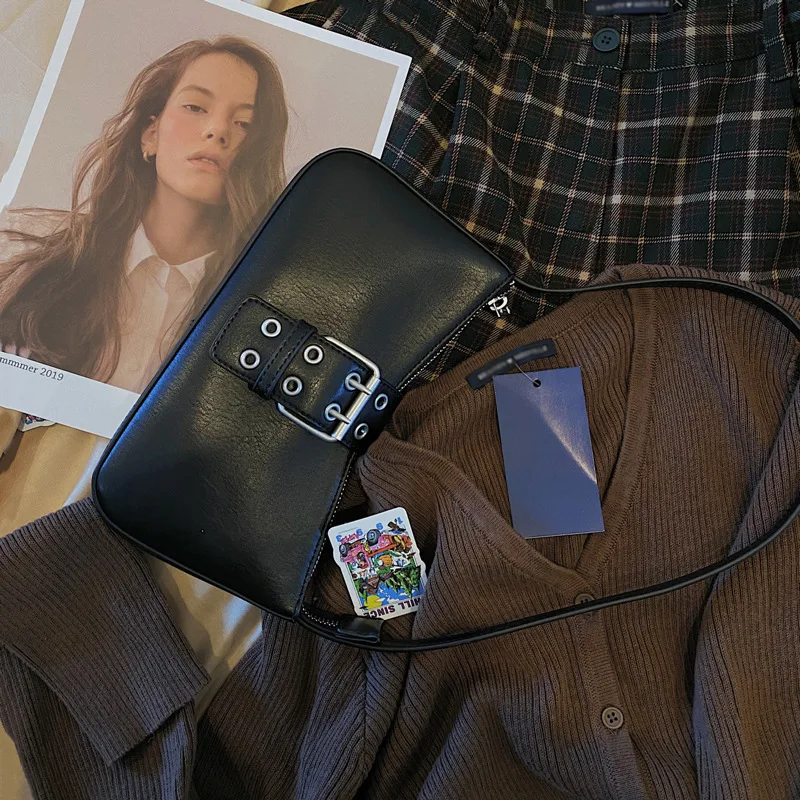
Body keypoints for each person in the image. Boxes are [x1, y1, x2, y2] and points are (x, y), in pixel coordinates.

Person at [0, 36, 288, 392]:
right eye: (195, 107)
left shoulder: (263, 310)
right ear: (151, 135)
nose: (217, 131)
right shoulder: (24, 251)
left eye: (244, 123)